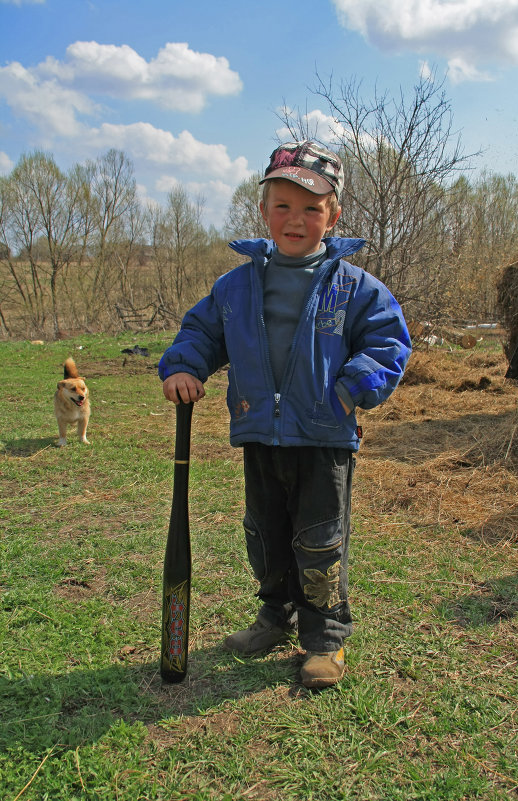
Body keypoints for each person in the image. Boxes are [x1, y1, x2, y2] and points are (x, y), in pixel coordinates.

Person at [159, 140, 412, 689]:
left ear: (334, 215)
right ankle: (275, 617)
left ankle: (325, 641)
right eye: (283, 205)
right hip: (259, 432)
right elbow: (202, 332)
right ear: (262, 211)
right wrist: (185, 367)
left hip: (323, 437)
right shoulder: (235, 286)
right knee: (266, 533)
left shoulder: (355, 288)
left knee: (320, 539)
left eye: (312, 208)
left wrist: (350, 389)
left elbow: (389, 343)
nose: (296, 219)